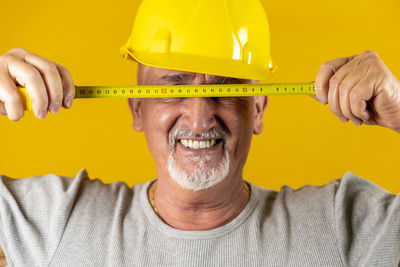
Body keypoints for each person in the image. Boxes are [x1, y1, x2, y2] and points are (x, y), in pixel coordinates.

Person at [1, 0, 400, 266]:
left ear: (257, 109)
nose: (198, 116)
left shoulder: (342, 225)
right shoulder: (56, 221)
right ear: (136, 107)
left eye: (223, 89)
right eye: (175, 87)